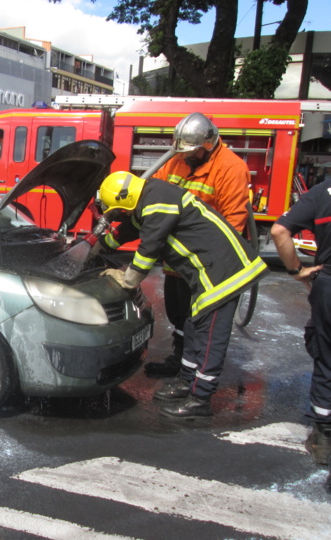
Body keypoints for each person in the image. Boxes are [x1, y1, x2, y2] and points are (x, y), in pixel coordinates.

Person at [96, 171, 269, 418]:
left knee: (210, 337)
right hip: (205, 273)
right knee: (193, 327)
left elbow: (149, 247)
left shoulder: (157, 202)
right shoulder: (150, 197)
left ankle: (201, 399)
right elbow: (128, 230)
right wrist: (98, 246)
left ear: (126, 201)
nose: (119, 215)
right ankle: (188, 380)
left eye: (119, 210)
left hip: (222, 274)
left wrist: (127, 279)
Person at [141, 113, 252, 380]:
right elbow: (154, 190)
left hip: (206, 265)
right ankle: (178, 360)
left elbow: (234, 222)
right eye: (183, 151)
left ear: (209, 144)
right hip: (178, 262)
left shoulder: (230, 168)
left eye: (192, 152)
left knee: (198, 322)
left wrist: (213, 264)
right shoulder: (177, 162)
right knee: (179, 316)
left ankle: (192, 376)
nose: (186, 157)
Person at [270, 176, 331, 466]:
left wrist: (297, 271)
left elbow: (280, 231)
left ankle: (324, 439)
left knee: (326, 356)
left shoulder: (322, 193)